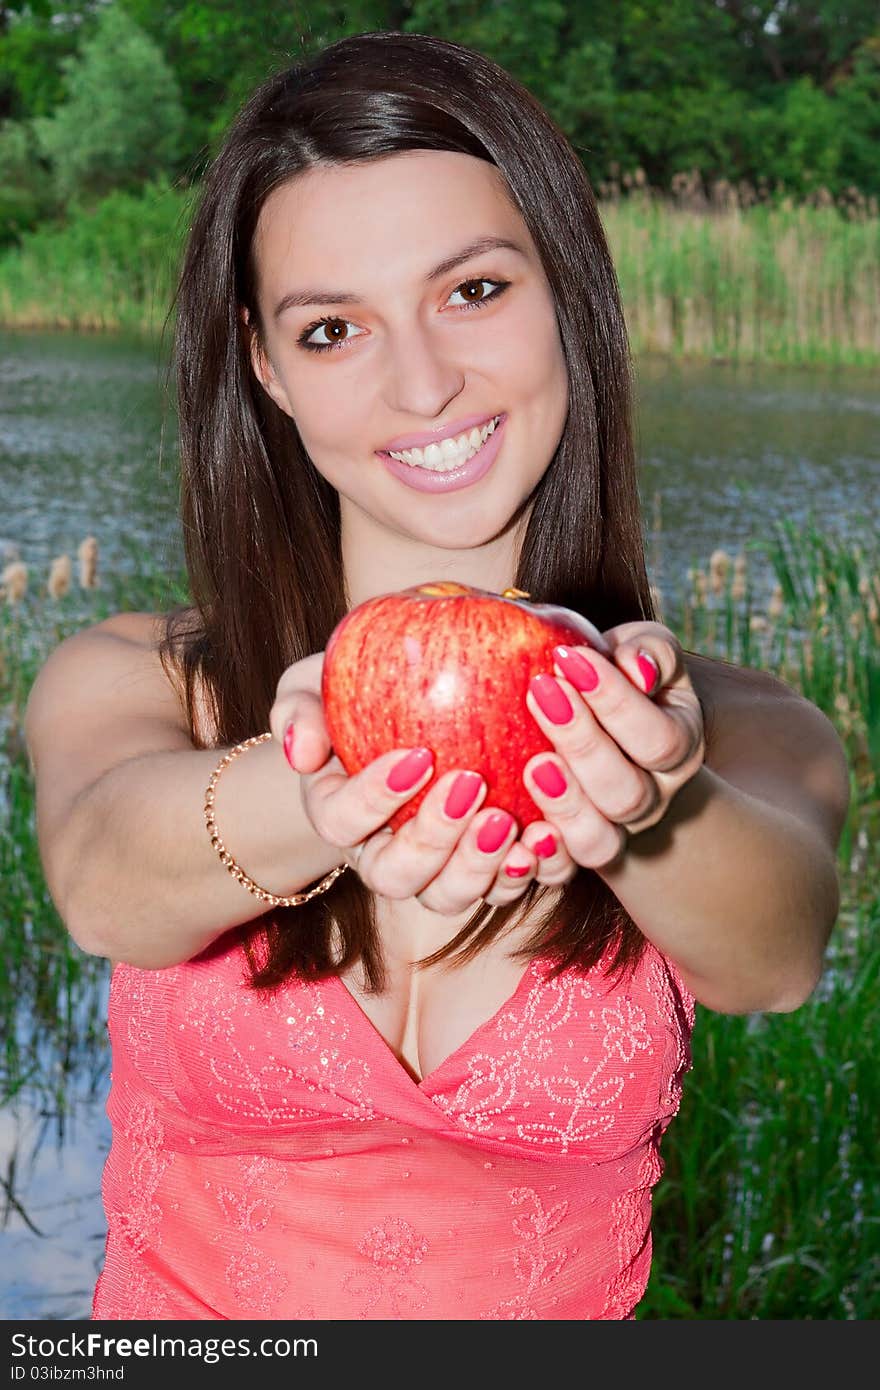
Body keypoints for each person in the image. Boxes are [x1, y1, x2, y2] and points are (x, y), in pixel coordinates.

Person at [24, 30, 849, 1322]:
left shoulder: (712, 720)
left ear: (567, 291)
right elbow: (102, 879)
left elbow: (775, 952)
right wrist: (316, 792)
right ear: (263, 362)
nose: (423, 382)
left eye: (473, 292)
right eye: (335, 326)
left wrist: (635, 796)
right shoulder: (138, 677)